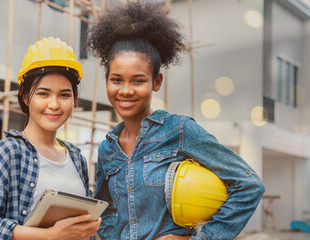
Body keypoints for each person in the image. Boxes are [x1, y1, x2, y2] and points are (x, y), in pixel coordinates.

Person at [85, 2, 265, 239]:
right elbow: (105, 210)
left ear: (156, 82)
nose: (125, 90)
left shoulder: (179, 130)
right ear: (107, 80)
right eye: (116, 80)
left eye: (138, 81)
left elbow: (248, 185)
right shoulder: (108, 148)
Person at [0, 37, 100, 240]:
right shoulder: (5, 154)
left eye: (64, 95)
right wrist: (51, 236)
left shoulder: (76, 158)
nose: (54, 104)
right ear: (26, 96)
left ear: (74, 99)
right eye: (44, 94)